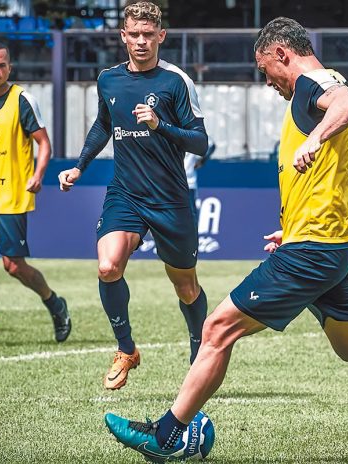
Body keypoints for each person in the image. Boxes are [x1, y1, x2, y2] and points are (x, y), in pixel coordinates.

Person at [103, 17, 348, 460]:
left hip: (314, 250)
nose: (266, 80)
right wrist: (291, 225)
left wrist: (314, 141)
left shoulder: (313, 83)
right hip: (335, 245)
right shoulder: (318, 85)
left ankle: (167, 434)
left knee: (217, 329)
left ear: (281, 54)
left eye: (264, 68)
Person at [58, 2, 209, 390]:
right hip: (125, 192)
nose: (141, 42)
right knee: (108, 267)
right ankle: (127, 349)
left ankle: (199, 356)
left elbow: (201, 143)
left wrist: (161, 126)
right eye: (134, 34)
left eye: (148, 35)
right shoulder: (108, 79)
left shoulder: (177, 82)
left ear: (161, 36)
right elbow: (103, 125)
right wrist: (80, 165)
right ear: (123, 36)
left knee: (186, 286)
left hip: (169, 198)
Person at [0, 41, 70, 347]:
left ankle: (54, 303)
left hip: (11, 196)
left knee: (13, 265)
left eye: (1, 65)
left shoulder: (22, 99)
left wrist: (38, 175)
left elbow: (43, 143)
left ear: (9, 67)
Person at [184, 137, 215, 222]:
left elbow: (211, 145)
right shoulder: (169, 132)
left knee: (191, 212)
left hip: (188, 181)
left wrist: (202, 161)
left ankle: (192, 234)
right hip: (172, 182)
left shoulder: (192, 134)